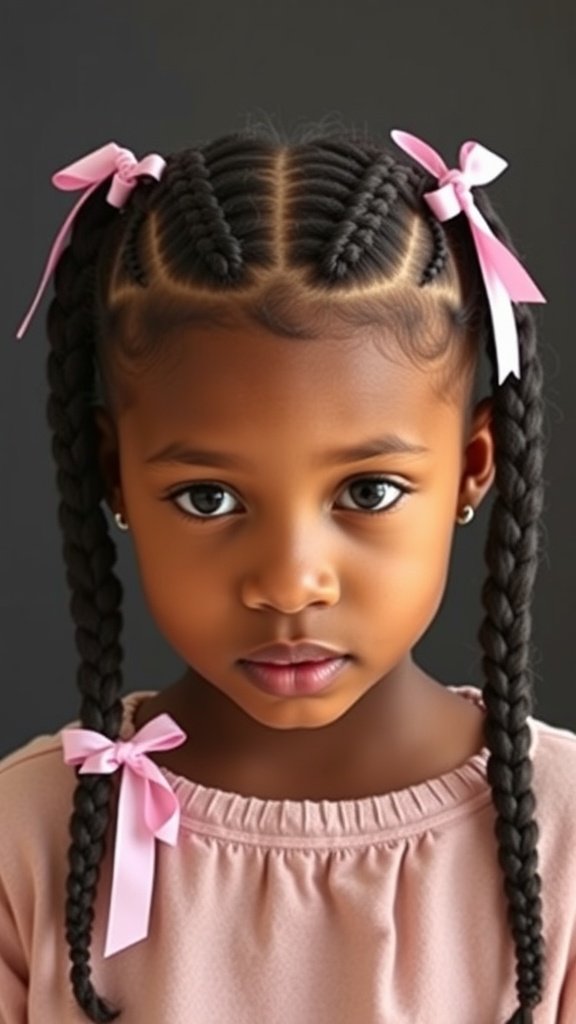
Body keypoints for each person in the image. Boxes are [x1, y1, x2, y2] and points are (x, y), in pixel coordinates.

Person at [1, 120, 575, 1024]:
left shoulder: (567, 843)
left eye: (370, 490)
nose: (290, 581)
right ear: (114, 477)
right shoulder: (25, 840)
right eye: (207, 500)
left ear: (471, 468)